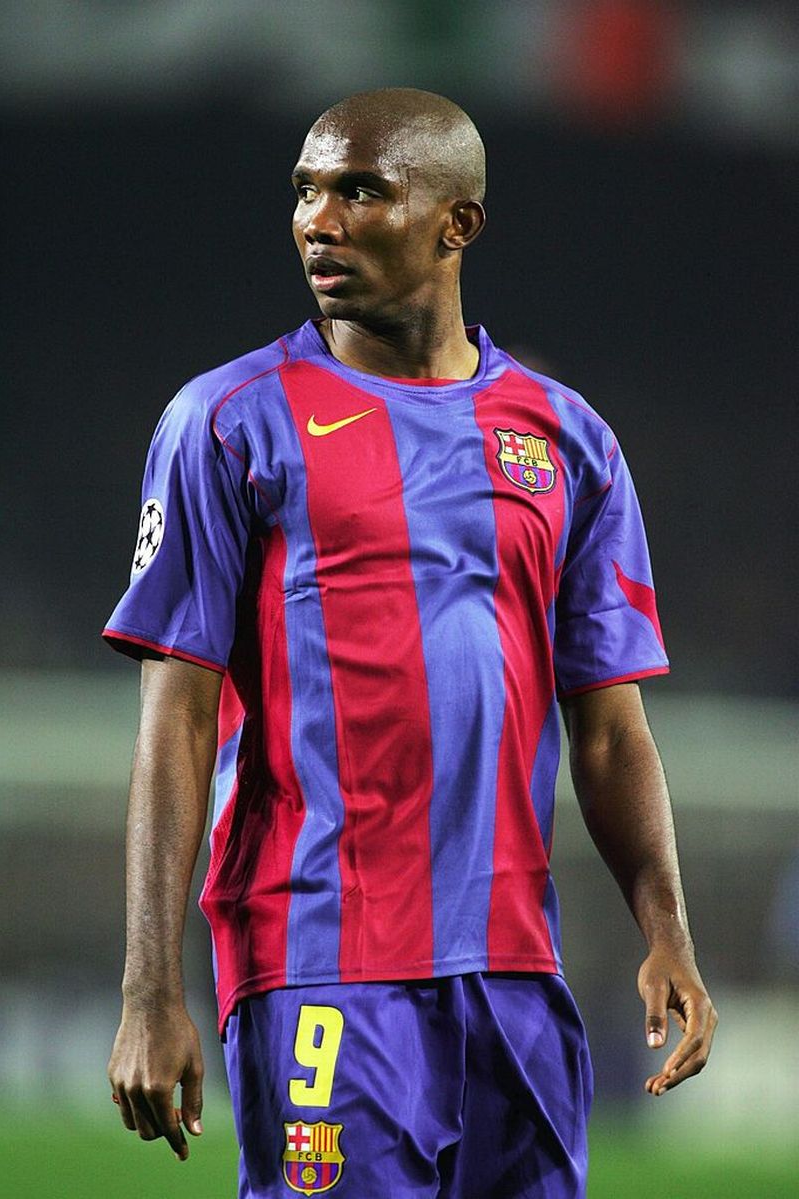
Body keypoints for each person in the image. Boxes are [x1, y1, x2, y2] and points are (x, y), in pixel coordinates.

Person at [105, 88, 717, 1199]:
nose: (318, 220)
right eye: (305, 190)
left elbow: (610, 730)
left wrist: (666, 927)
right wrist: (150, 987)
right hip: (320, 961)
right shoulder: (229, 421)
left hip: (515, 973)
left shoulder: (566, 439)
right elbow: (176, 715)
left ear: (456, 223)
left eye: (361, 190)